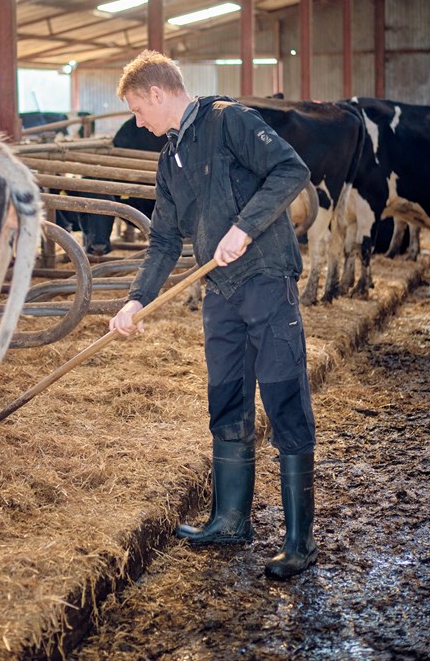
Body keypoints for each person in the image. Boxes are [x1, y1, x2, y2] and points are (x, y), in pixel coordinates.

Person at [109, 49, 318, 580]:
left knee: (283, 393)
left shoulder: (231, 121)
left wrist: (244, 227)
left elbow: (291, 170)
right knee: (226, 397)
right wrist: (135, 300)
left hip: (266, 279)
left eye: (138, 109)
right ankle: (230, 520)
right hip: (219, 294)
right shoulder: (170, 157)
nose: (139, 122)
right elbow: (161, 239)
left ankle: (299, 541)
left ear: (158, 93)